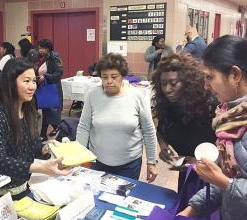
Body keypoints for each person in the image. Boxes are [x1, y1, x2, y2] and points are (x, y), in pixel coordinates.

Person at [0, 58, 69, 204]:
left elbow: (31, 144)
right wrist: (41, 168)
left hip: (20, 187)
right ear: (10, 82)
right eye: (26, 81)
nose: (32, 86)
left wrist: (46, 147)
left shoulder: (27, 107)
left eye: (34, 81)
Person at [178, 35, 247, 220]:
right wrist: (191, 209)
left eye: (210, 77)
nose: (206, 86)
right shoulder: (228, 115)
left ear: (235, 74)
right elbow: (227, 178)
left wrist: (224, 182)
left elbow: (226, 181)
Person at [76, 53, 158, 181]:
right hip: (98, 161)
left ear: (122, 76)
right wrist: (78, 156)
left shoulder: (136, 96)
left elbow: (148, 131)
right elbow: (84, 127)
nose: (109, 81)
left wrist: (151, 161)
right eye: (104, 77)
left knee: (123, 199)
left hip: (129, 164)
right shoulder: (93, 95)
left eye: (114, 77)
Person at [151, 53, 217, 192]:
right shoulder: (167, 105)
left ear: (188, 83)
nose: (167, 89)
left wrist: (195, 162)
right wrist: (163, 147)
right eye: (163, 84)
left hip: (214, 178)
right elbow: (161, 130)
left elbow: (229, 152)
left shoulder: (210, 107)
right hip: (187, 175)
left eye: (173, 84)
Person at [36, 39, 63, 140]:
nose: (40, 50)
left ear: (48, 48)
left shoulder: (54, 57)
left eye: (42, 48)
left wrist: (45, 76)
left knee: (49, 111)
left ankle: (45, 133)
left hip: (52, 88)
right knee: (46, 111)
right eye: (39, 48)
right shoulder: (42, 57)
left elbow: (58, 74)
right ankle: (47, 132)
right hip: (45, 86)